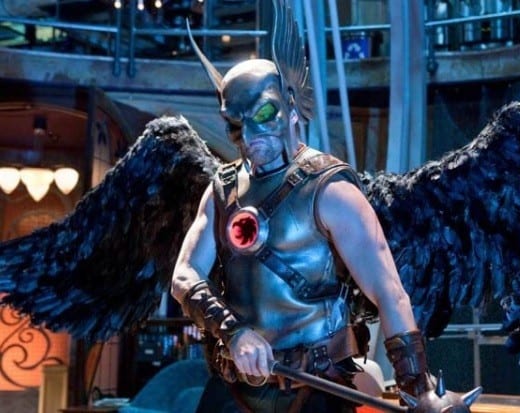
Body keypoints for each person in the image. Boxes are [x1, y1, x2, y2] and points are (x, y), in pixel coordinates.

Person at [170, 3, 476, 412]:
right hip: (236, 388)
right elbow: (184, 275)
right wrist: (233, 331)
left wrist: (418, 389)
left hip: (316, 387)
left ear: (290, 107)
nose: (251, 135)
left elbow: (388, 290)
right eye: (236, 124)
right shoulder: (223, 189)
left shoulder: (329, 189)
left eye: (264, 114)